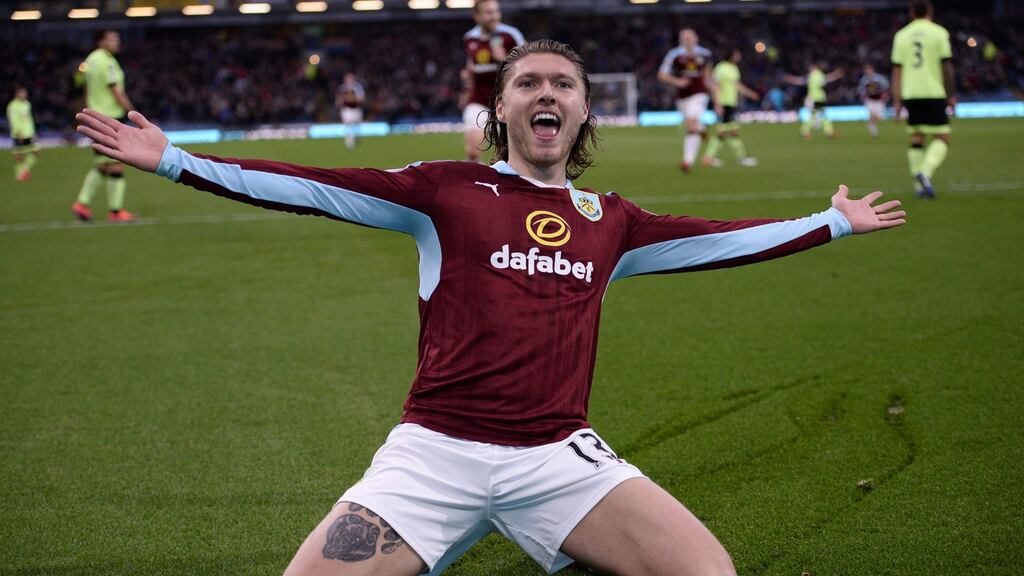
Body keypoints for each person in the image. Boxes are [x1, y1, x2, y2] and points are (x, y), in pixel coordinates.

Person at [76, 39, 905, 576]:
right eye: (528, 83)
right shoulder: (444, 189)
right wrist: (175, 159)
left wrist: (832, 222)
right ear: (500, 109)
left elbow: (723, 239)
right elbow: (309, 187)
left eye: (564, 84)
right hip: (433, 456)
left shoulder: (612, 222)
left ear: (583, 109)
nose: (547, 93)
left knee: (705, 572)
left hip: (557, 457)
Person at [891, 0, 955, 199]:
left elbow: (896, 71)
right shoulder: (939, 32)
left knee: (917, 136)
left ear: (911, 13)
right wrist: (951, 93)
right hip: (933, 92)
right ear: (930, 12)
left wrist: (897, 100)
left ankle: (919, 186)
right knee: (942, 137)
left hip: (911, 93)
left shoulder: (901, 35)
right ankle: (925, 173)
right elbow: (947, 66)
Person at [72, 29, 135, 222]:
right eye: (112, 39)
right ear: (101, 41)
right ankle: (115, 212)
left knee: (104, 164)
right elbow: (116, 90)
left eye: (117, 38)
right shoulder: (108, 62)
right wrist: (132, 112)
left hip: (96, 116)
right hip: (110, 117)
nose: (117, 42)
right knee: (116, 164)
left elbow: (80, 83)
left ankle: (82, 204)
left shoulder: (89, 60)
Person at [461, 0, 524, 163]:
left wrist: (503, 60)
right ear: (477, 16)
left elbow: (527, 69)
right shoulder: (469, 38)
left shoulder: (511, 36)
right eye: (489, 13)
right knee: (473, 153)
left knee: (510, 155)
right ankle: (477, 187)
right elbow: (471, 66)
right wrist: (467, 80)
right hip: (479, 100)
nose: (494, 16)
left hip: (507, 101)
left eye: (496, 12)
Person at [658, 28, 713, 172]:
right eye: (685, 37)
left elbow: (707, 77)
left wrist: (716, 97)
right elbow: (662, 74)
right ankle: (702, 129)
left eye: (690, 36)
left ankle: (687, 161)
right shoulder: (674, 54)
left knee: (691, 124)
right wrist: (677, 81)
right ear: (680, 39)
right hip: (682, 97)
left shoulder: (705, 54)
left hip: (700, 94)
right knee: (691, 123)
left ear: (696, 38)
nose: (688, 39)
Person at [703, 48, 761, 168]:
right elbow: (715, 85)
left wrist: (750, 93)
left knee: (725, 132)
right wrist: (717, 103)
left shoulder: (734, 68)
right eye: (736, 54)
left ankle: (709, 157)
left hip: (731, 103)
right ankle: (742, 157)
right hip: (723, 103)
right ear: (731, 55)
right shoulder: (721, 67)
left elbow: (736, 85)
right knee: (729, 132)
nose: (739, 55)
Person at [784, 62, 844, 140]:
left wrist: (790, 78)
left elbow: (800, 81)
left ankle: (824, 132)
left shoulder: (810, 76)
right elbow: (827, 79)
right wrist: (836, 74)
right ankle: (826, 132)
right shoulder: (818, 75)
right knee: (821, 115)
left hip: (812, 99)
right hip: (818, 98)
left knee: (818, 115)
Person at [6, 86, 38, 182]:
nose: (24, 95)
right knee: (19, 156)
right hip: (19, 134)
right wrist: (18, 132)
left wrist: (33, 132)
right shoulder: (12, 106)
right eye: (22, 93)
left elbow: (29, 119)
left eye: (25, 93)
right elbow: (13, 120)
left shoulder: (27, 104)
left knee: (36, 153)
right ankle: (19, 175)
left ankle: (24, 171)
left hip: (29, 133)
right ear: (17, 94)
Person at [858, 64, 890, 138]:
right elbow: (861, 90)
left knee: (880, 117)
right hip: (870, 100)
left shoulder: (879, 78)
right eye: (866, 70)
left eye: (869, 69)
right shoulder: (863, 80)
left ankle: (871, 125)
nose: (867, 71)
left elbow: (885, 87)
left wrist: (885, 95)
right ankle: (874, 133)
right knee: (871, 115)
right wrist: (863, 98)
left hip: (879, 100)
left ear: (872, 70)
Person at [335, 73, 366, 150]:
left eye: (351, 78)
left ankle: (356, 137)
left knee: (357, 125)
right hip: (346, 109)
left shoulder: (358, 87)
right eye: (348, 78)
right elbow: (339, 98)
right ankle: (349, 141)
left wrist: (353, 98)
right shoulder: (342, 88)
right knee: (348, 125)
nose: (349, 80)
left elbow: (361, 98)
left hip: (356, 109)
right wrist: (339, 102)